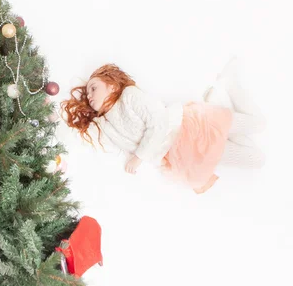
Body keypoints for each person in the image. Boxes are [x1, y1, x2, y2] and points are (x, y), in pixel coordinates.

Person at [60, 57, 266, 194]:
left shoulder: (129, 96)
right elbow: (81, 136)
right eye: (87, 94)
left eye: (93, 88)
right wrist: (56, 116)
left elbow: (158, 123)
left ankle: (229, 84)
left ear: (112, 85)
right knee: (257, 160)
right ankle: (217, 110)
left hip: (190, 127)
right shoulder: (104, 124)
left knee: (260, 124)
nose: (89, 95)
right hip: (184, 155)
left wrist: (139, 156)